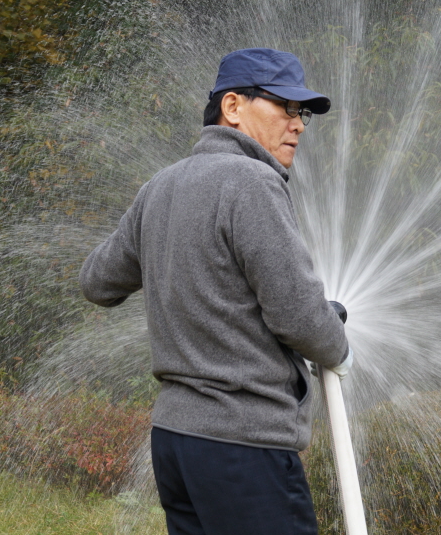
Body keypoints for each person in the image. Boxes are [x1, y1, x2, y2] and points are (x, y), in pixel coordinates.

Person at [80, 47, 351, 535]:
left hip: (175, 444)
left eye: (302, 113)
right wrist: (340, 348)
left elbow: (97, 282)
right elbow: (298, 316)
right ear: (233, 107)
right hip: (243, 448)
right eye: (286, 108)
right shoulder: (252, 181)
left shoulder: (161, 186)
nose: (299, 125)